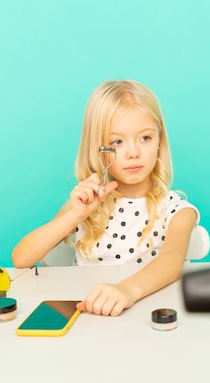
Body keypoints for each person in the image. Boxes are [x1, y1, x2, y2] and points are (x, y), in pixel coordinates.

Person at [12, 80, 199, 317]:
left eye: (145, 138)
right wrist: (75, 216)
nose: (133, 152)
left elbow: (171, 261)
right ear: (99, 148)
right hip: (90, 319)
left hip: (147, 315)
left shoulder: (176, 210)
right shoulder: (85, 205)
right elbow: (21, 258)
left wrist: (126, 291)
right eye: (117, 142)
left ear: (160, 141)